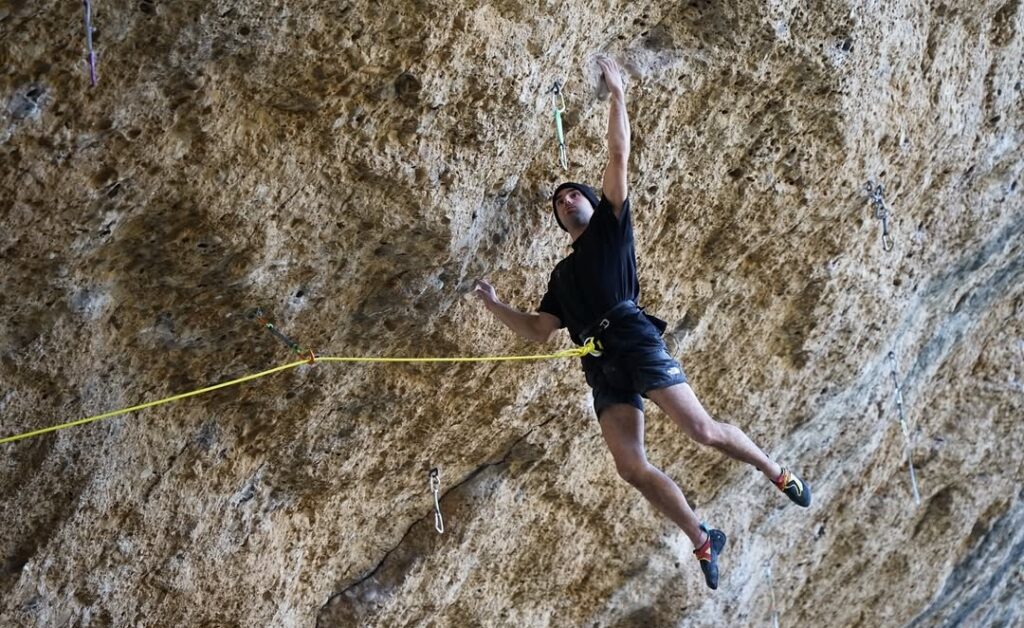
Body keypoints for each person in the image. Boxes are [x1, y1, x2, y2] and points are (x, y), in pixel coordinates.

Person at [473, 56, 811, 590]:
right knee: (630, 467)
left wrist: (617, 94)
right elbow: (540, 330)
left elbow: (618, 155)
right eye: (559, 203)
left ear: (590, 201)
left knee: (701, 430)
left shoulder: (612, 227)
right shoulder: (561, 276)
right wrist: (493, 304)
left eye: (572, 193)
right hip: (601, 366)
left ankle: (776, 471)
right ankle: (702, 537)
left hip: (632, 334)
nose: (565, 200)